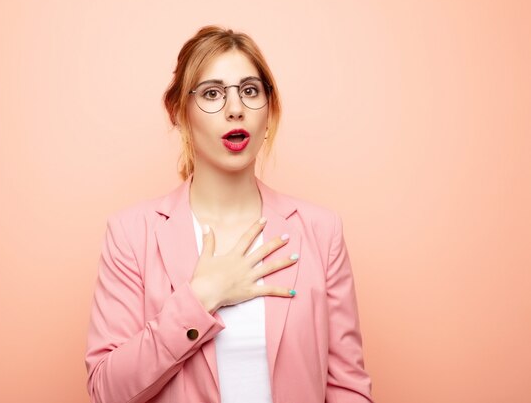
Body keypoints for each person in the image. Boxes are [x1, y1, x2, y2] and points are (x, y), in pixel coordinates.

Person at [85, 25, 374, 403]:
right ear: (178, 112)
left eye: (250, 91)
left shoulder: (321, 231)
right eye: (212, 93)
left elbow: (348, 389)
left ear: (269, 109)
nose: (235, 109)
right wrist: (202, 297)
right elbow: (107, 390)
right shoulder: (131, 234)